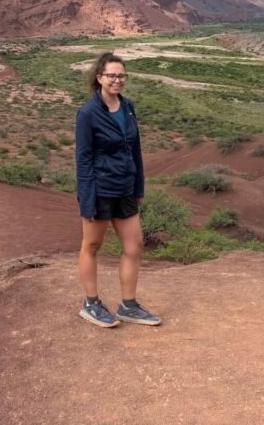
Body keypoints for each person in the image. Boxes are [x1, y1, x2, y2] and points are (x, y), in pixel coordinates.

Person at [74, 52, 161, 328]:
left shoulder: (128, 107)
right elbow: (83, 159)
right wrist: (87, 200)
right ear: (99, 78)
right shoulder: (88, 113)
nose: (117, 80)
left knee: (134, 246)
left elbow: (135, 150)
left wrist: (138, 185)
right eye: (111, 75)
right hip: (100, 190)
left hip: (125, 188)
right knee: (92, 245)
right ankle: (91, 304)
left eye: (121, 75)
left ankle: (129, 305)